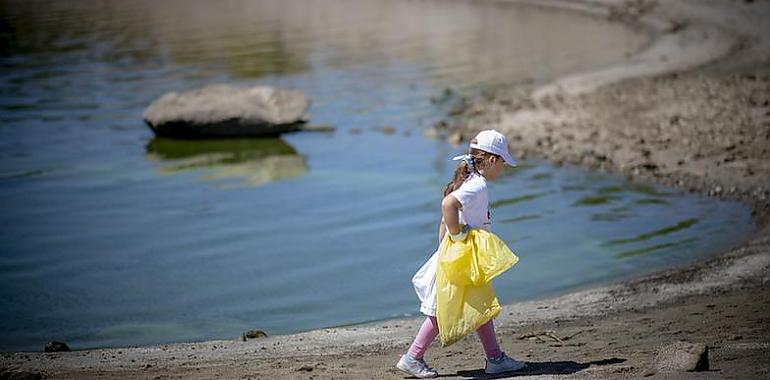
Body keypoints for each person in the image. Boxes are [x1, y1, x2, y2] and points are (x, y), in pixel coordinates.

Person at [396, 130, 527, 378]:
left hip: (458, 255)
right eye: (503, 163)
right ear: (491, 160)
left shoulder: (467, 180)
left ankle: (495, 358)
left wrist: (444, 246)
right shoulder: (477, 185)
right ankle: (412, 357)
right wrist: (457, 238)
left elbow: (444, 219)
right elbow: (448, 206)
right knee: (442, 309)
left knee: (479, 304)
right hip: (461, 255)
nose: (503, 169)